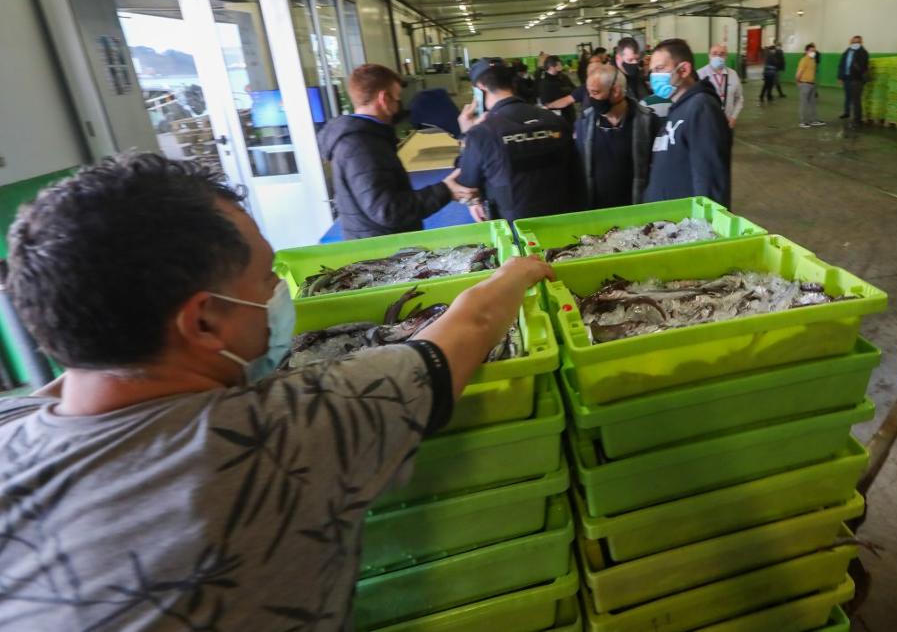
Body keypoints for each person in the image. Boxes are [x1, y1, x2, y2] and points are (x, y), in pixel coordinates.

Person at [0, 151, 556, 630]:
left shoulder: (13, 429)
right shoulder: (276, 437)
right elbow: (466, 333)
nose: (277, 295)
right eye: (269, 280)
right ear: (203, 323)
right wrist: (516, 272)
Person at [317, 63, 474, 239]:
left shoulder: (364, 137)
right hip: (380, 252)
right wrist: (444, 190)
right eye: (397, 98)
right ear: (384, 99)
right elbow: (387, 210)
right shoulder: (361, 147)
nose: (399, 106)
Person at [458, 62, 585, 222]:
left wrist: (466, 136)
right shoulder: (554, 120)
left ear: (480, 89)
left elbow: (466, 183)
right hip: (563, 218)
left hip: (514, 226)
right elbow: (576, 172)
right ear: (513, 84)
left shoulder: (482, 133)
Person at [643, 38, 731, 206]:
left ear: (683, 70)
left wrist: (707, 224)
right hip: (669, 219)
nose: (654, 76)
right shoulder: (679, 107)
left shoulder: (701, 108)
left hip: (688, 224)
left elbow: (709, 178)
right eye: (652, 71)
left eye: (660, 69)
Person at [574, 63, 654, 208]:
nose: (590, 98)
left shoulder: (647, 122)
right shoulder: (584, 123)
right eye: (589, 92)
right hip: (596, 213)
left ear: (616, 91)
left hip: (636, 210)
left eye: (596, 92)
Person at [697, 43, 745, 130]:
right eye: (714, 53)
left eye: (722, 54)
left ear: (726, 56)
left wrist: (734, 117)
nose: (718, 57)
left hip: (727, 123)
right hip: (706, 124)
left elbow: (739, 98)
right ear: (709, 56)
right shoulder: (700, 75)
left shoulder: (733, 74)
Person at [837, 35, 870, 125]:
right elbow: (841, 64)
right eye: (853, 42)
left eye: (857, 42)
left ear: (861, 43)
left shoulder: (863, 53)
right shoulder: (847, 52)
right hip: (847, 77)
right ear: (850, 43)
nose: (855, 44)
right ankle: (846, 112)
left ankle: (857, 118)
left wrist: (856, 64)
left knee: (856, 99)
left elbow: (863, 67)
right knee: (847, 96)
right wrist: (840, 77)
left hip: (857, 79)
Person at [537, 55, 578, 128]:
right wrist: (564, 92)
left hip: (569, 112)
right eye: (559, 64)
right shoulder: (545, 83)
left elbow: (574, 90)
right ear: (552, 67)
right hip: (555, 116)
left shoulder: (563, 77)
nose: (561, 65)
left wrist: (565, 91)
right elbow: (545, 102)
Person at [796, 44, 824, 129]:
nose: (813, 52)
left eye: (814, 50)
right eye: (811, 50)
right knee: (804, 104)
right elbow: (799, 72)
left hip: (812, 84)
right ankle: (802, 122)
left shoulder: (813, 60)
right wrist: (798, 82)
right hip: (804, 84)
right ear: (806, 51)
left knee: (813, 103)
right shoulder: (804, 60)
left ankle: (814, 120)